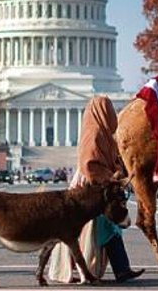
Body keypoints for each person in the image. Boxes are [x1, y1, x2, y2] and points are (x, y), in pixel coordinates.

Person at [48, 96, 144, 283]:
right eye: (108, 110)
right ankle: (114, 269)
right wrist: (110, 178)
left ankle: (118, 269)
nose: (112, 115)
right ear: (101, 112)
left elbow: (112, 159)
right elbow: (89, 163)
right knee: (98, 229)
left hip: (102, 186)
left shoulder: (105, 133)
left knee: (102, 230)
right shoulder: (94, 133)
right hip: (91, 186)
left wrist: (120, 172)